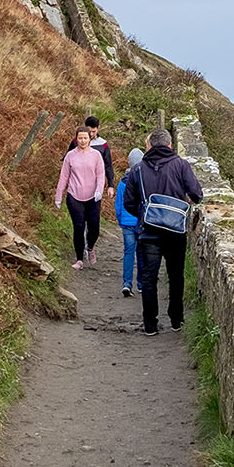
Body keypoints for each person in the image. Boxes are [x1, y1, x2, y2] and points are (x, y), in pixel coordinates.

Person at [120, 128, 202, 336]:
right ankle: (176, 320)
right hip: (175, 231)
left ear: (150, 146)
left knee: (149, 278)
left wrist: (145, 213)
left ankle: (150, 324)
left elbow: (129, 202)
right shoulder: (181, 165)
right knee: (175, 277)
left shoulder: (138, 169)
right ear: (169, 145)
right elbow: (197, 194)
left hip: (149, 231)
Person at [54, 127, 107, 270]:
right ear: (76, 139)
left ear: (90, 139)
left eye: (85, 138)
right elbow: (64, 177)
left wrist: (99, 191)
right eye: (80, 138)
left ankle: (90, 247)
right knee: (78, 227)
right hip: (74, 196)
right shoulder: (70, 156)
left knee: (94, 227)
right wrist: (58, 196)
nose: (83, 141)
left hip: (92, 197)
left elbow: (101, 175)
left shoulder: (96, 155)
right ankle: (79, 259)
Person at [115, 146, 144, 298]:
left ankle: (127, 283)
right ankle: (141, 283)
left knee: (128, 252)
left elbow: (119, 204)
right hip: (141, 222)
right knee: (141, 253)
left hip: (127, 223)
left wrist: (120, 220)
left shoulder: (122, 183)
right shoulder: (144, 181)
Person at [84, 114, 116, 193]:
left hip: (96, 182)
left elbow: (108, 164)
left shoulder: (103, 144)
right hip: (79, 181)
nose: (91, 134)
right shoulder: (77, 142)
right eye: (89, 131)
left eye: (93, 131)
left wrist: (110, 185)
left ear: (98, 128)